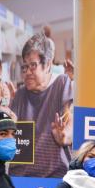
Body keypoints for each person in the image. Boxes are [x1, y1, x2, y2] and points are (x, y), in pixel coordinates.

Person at [9, 28, 74, 178]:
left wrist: (65, 135)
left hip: (54, 178)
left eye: (33, 65)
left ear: (48, 65)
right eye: (24, 66)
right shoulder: (20, 94)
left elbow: (70, 120)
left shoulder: (61, 84)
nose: (27, 72)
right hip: (22, 179)